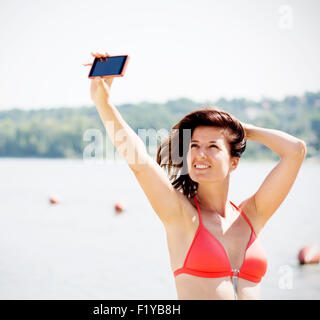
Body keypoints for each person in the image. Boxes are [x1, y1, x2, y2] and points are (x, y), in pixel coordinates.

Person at [84, 52, 306, 300]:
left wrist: (242, 129)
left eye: (213, 146)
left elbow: (295, 151)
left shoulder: (252, 215)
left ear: (234, 162)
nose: (200, 154)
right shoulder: (181, 214)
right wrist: (103, 103)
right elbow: (140, 163)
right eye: (194, 146)